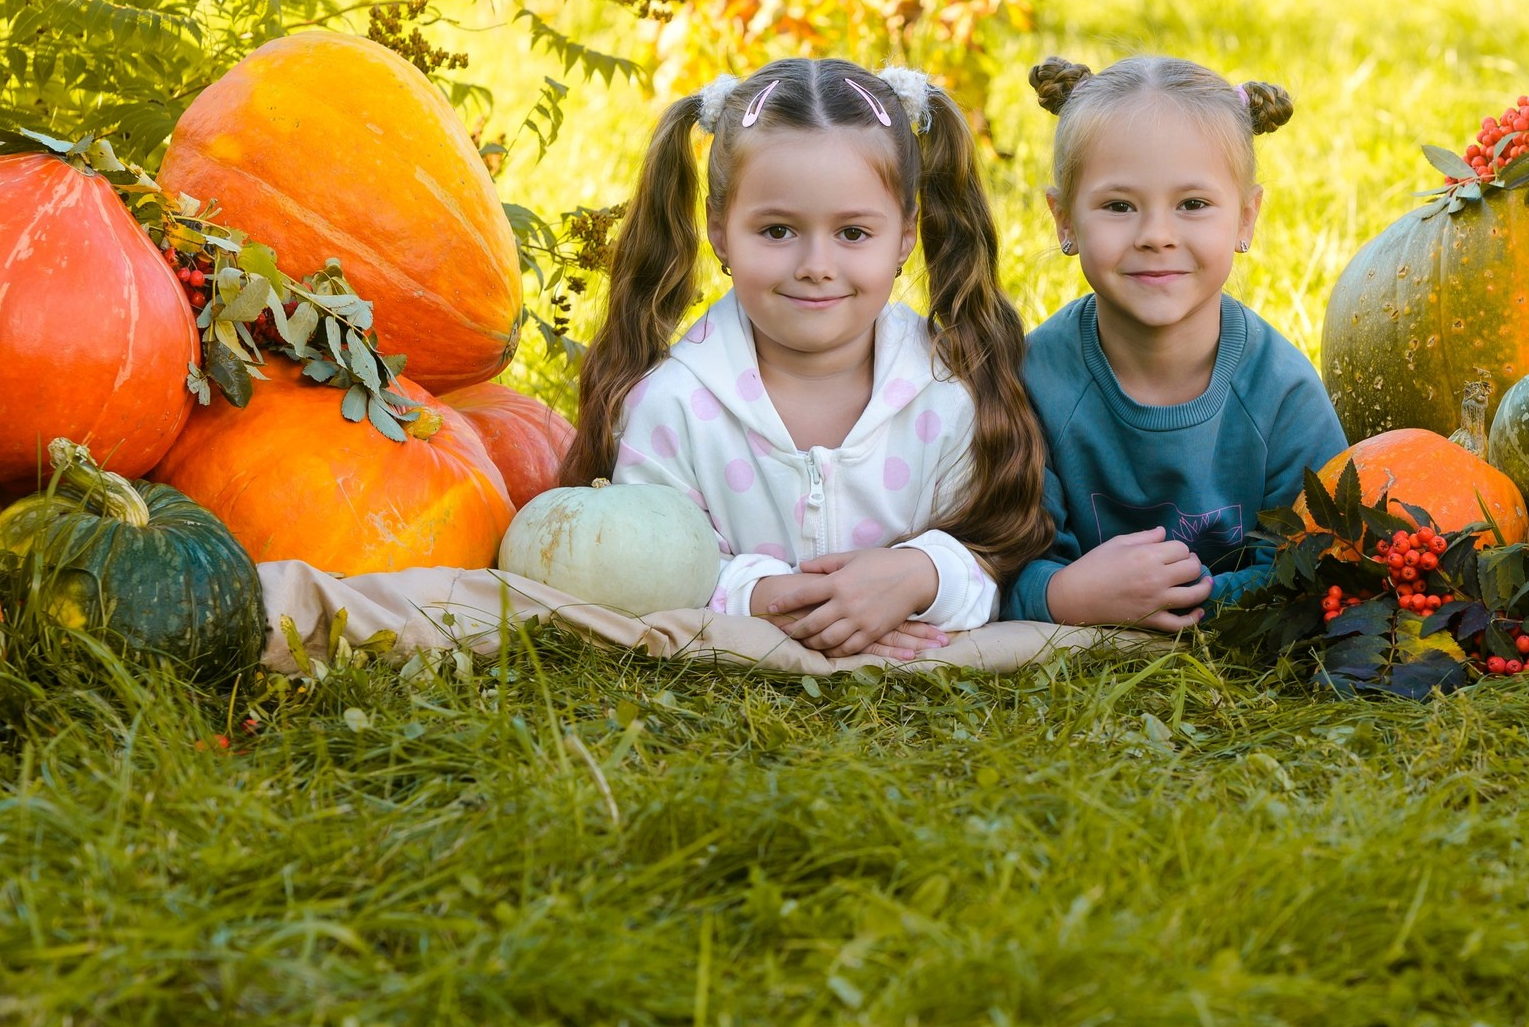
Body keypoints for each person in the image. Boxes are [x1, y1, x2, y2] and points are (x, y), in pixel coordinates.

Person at [565, 58, 1050, 658]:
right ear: (719, 230)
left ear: (905, 234)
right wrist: (763, 596)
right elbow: (648, 567)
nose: (816, 266)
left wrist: (921, 577)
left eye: (853, 233)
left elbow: (994, 555)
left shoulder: (948, 391)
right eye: (777, 231)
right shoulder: (673, 406)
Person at [1005, 54, 1348, 629]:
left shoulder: (1281, 393)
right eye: (1119, 206)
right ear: (1064, 219)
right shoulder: (1031, 384)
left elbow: (1319, 563)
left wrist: (1182, 599)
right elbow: (996, 566)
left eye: (1192, 204)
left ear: (1246, 217)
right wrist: (1064, 595)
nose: (1156, 236)